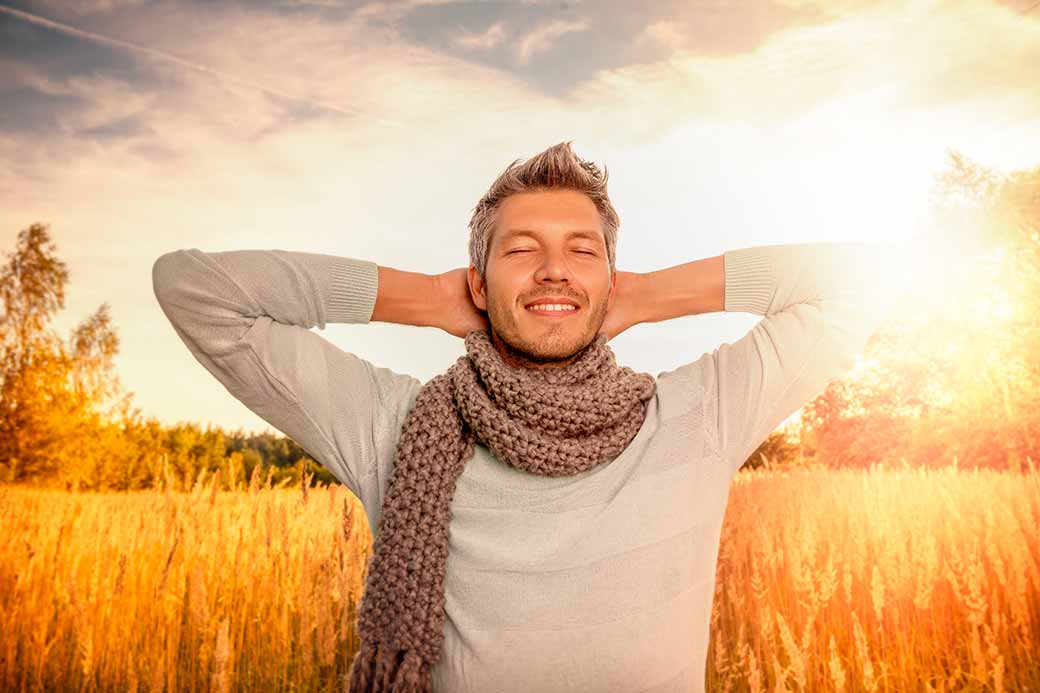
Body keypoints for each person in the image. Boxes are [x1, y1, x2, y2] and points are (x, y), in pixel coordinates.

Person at [152, 140, 906, 692]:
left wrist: (649, 294)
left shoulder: (696, 415)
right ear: (479, 282)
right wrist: (426, 298)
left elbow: (860, 281)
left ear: (612, 278)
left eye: (583, 250)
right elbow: (195, 290)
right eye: (522, 250)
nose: (553, 268)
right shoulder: (397, 424)